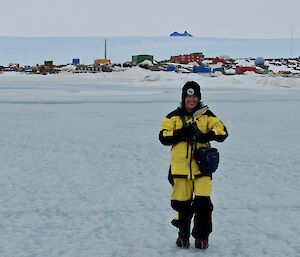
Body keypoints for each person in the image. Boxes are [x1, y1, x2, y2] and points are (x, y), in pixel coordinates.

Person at [159, 81, 228, 249]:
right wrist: (181, 133)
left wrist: (207, 136)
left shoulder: (207, 115)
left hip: (202, 169)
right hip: (180, 169)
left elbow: (223, 132)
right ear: (183, 98)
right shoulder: (173, 116)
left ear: (199, 98)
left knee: (203, 204)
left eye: (194, 96)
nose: (191, 99)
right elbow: (163, 137)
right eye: (188, 96)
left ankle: (202, 236)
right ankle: (183, 234)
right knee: (182, 204)